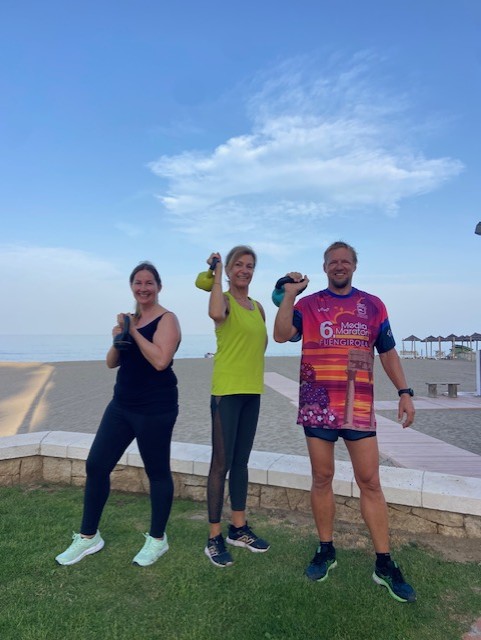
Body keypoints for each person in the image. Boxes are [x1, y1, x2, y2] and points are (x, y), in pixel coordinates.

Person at [273, 241, 416, 603]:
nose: (339, 266)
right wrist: (289, 294)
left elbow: (388, 352)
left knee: (370, 481)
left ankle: (384, 562)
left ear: (354, 266)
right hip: (318, 405)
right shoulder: (308, 304)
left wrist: (404, 391)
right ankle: (326, 549)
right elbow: (281, 334)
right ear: (325, 268)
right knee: (322, 478)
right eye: (333, 262)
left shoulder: (373, 305)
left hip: (358, 408)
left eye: (345, 261)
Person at [55, 261, 181, 567]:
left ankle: (158, 539)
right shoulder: (129, 322)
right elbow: (112, 362)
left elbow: (161, 361)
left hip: (156, 408)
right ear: (131, 287)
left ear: (159, 287)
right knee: (97, 464)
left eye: (149, 282)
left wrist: (133, 331)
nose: (143, 288)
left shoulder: (167, 319)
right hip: (122, 405)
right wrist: (118, 337)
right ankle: (88, 536)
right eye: (138, 283)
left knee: (157, 472)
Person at [203, 246, 270, 567]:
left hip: (251, 391)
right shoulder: (224, 300)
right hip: (226, 393)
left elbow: (260, 345)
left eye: (250, 265)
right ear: (229, 270)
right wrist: (216, 274)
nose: (245, 270)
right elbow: (215, 314)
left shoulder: (259, 307)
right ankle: (214, 537)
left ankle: (238, 529)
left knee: (241, 462)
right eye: (238, 265)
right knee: (221, 464)